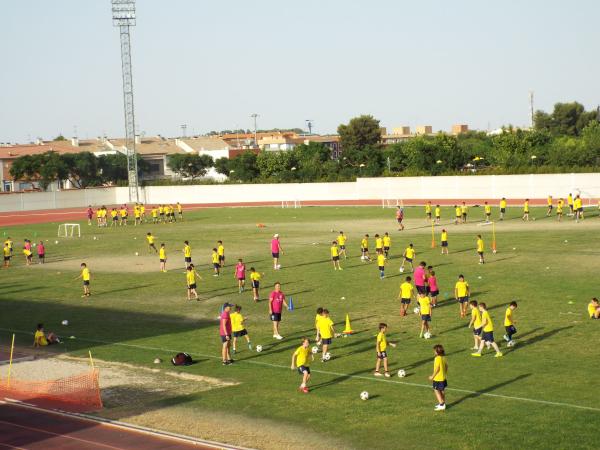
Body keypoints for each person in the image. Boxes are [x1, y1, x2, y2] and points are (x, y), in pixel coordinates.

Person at [429, 344, 448, 411]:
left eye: (434, 351)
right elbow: (446, 366)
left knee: (436, 390)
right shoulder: (443, 358)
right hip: (443, 378)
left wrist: (432, 376)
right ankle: (443, 403)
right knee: (442, 391)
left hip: (437, 378)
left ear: (437, 351)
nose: (434, 352)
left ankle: (441, 404)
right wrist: (444, 373)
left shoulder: (437, 358)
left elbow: (437, 369)